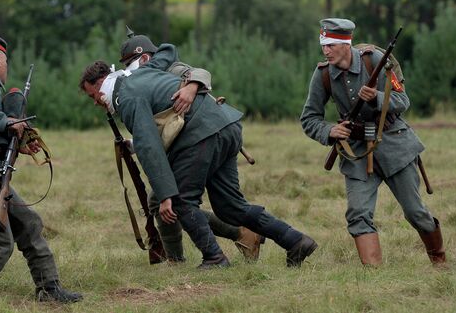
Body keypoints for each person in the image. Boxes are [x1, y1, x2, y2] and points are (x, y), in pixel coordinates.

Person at [80, 61, 317, 268]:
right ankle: (295, 241)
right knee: (230, 207)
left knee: (181, 201)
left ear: (102, 82)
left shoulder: (126, 97)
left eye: (93, 95)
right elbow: (158, 126)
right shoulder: (138, 77)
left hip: (202, 136)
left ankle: (214, 258)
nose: (94, 102)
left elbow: (149, 148)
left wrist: (165, 196)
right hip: (225, 125)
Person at [0, 36, 81, 303]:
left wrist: (17, 142)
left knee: (29, 223)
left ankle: (49, 291)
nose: (6, 68)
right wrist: (6, 121)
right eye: (5, 62)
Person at [300, 18, 444, 266]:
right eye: (323, 44)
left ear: (347, 44)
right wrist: (330, 130)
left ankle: (439, 261)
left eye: (331, 45)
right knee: (357, 214)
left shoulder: (374, 61)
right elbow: (309, 118)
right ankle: (373, 276)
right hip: (355, 150)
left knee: (415, 213)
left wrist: (378, 98)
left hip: (393, 144)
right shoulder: (323, 74)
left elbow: (403, 101)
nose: (326, 50)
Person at [118, 30, 263, 262]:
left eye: (129, 64)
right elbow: (163, 127)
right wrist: (136, 144)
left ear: (144, 59)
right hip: (187, 143)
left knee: (169, 201)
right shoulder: (143, 80)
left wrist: (192, 85)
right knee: (168, 202)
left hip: (201, 140)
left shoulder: (170, 69)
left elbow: (199, 73)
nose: (127, 71)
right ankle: (188, 253)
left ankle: (185, 257)